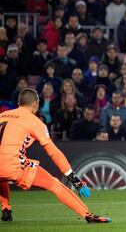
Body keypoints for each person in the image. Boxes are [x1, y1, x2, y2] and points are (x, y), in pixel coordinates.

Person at [0, 88, 110, 223]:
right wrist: (76, 181)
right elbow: (54, 152)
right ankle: (88, 215)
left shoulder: (2, 115)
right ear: (35, 104)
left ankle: (6, 208)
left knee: (2, 174)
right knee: (54, 184)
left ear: (19, 103)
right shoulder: (34, 122)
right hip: (14, 167)